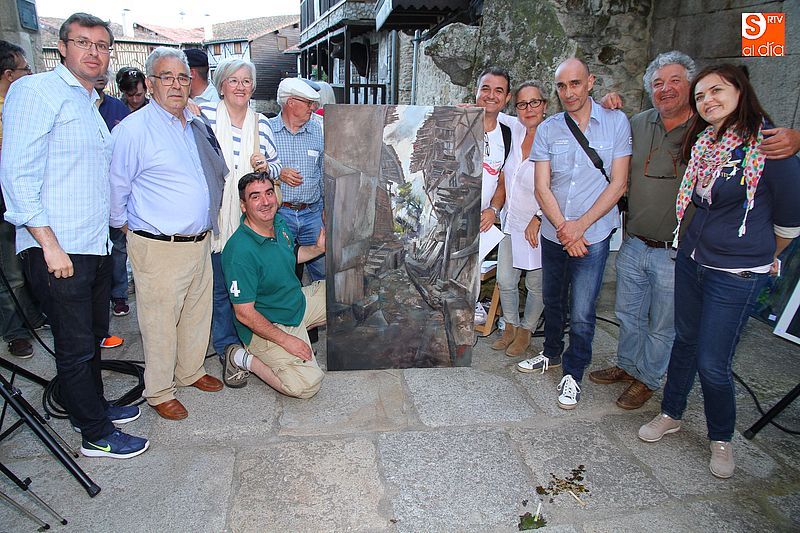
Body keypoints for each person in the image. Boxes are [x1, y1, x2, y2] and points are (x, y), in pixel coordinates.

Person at [638, 64, 800, 479]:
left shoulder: (770, 145)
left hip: (738, 273)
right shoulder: (706, 144)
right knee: (685, 341)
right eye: (701, 96)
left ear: (740, 91)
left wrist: (760, 254)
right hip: (693, 260)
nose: (707, 100)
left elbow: (789, 222)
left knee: (713, 361)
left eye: (717, 90)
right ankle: (671, 412)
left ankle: (721, 437)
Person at [0, 13, 148, 458]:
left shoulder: (90, 103)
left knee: (91, 337)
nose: (94, 52)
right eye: (83, 42)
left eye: (102, 45)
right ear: (61, 47)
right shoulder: (36, 91)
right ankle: (94, 433)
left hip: (93, 245)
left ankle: (89, 404)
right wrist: (47, 243)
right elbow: (17, 174)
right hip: (59, 249)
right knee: (75, 344)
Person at [109, 47, 228, 420]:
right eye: (167, 77)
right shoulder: (133, 129)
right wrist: (126, 228)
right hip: (158, 245)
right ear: (149, 84)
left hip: (197, 240)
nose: (176, 84)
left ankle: (190, 370)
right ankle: (159, 389)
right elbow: (116, 188)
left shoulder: (192, 124)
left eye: (182, 77)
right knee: (159, 321)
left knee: (195, 312)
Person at [531, 58, 631, 410]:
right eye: (561, 86)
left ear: (590, 82)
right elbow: (542, 186)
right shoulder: (548, 129)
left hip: (593, 233)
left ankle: (573, 373)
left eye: (575, 84)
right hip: (554, 231)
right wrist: (563, 228)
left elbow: (618, 183)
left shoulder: (616, 122)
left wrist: (579, 228)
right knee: (553, 300)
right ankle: (551, 353)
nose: (568, 92)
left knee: (584, 310)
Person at [197, 58, 282, 385]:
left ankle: (251, 344)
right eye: (234, 80)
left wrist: (265, 166)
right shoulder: (203, 117)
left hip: (248, 218)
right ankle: (227, 349)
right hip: (216, 215)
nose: (241, 86)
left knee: (250, 289)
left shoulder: (261, 124)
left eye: (246, 81)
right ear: (221, 85)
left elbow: (275, 169)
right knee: (221, 289)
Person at [221, 172, 326, 398]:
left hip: (295, 304)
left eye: (269, 193)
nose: (266, 201)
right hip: (267, 325)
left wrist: (317, 249)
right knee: (306, 387)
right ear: (243, 205)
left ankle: (298, 338)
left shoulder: (278, 223)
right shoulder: (239, 251)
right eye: (255, 197)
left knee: (346, 296)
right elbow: (245, 314)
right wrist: (287, 341)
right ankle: (241, 357)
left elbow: (290, 254)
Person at [490, 81, 547, 358]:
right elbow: (488, 109)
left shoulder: (554, 135)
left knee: (536, 284)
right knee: (505, 279)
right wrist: (462, 109)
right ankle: (509, 326)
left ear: (545, 105)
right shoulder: (515, 129)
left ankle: (527, 331)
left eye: (534, 102)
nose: (529, 108)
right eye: (523, 104)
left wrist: (539, 217)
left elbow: (559, 185)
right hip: (511, 221)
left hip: (537, 224)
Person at [0, 40, 47, 358]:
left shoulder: (23, 105)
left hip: (26, 201)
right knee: (11, 273)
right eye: (24, 69)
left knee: (28, 264)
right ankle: (15, 332)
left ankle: (31, 316)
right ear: (8, 74)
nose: (29, 74)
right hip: (5, 205)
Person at [269, 78, 325, 281]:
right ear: (291, 102)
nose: (313, 108)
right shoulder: (266, 131)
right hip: (280, 214)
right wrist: (278, 172)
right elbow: (255, 172)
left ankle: (323, 311)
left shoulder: (318, 132)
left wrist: (326, 210)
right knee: (282, 270)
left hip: (312, 213)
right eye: (308, 103)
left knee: (323, 270)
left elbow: (324, 173)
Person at [95, 70, 132, 322]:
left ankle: (119, 296)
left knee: (118, 248)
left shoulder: (118, 108)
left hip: (115, 189)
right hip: (91, 192)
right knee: (98, 253)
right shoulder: (76, 106)